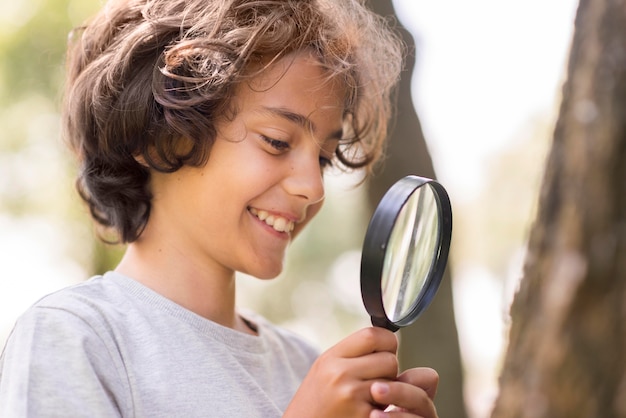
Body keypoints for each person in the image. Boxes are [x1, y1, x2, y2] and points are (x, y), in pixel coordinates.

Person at [0, 0, 439, 416]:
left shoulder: (306, 365)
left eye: (323, 159)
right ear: (161, 134)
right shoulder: (75, 337)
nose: (313, 188)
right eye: (277, 141)